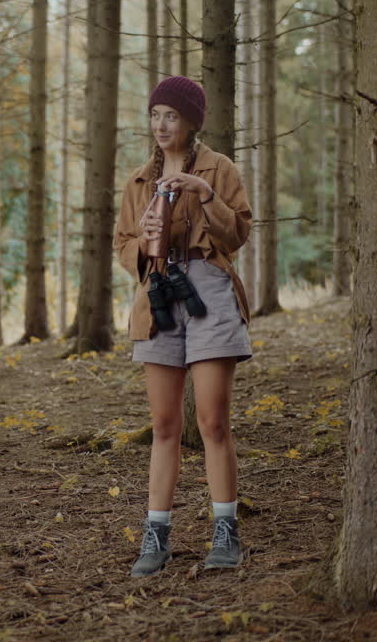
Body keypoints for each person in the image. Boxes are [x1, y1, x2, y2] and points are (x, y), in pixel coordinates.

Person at [113, 76, 254, 578]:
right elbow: (123, 245)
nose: (161, 125)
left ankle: (226, 532)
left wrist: (205, 193)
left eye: (171, 116)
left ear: (191, 121)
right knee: (165, 425)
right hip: (158, 294)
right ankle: (157, 535)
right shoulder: (138, 181)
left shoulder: (220, 168)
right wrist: (144, 241)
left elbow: (237, 233)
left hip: (209, 289)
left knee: (212, 421)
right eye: (155, 115)